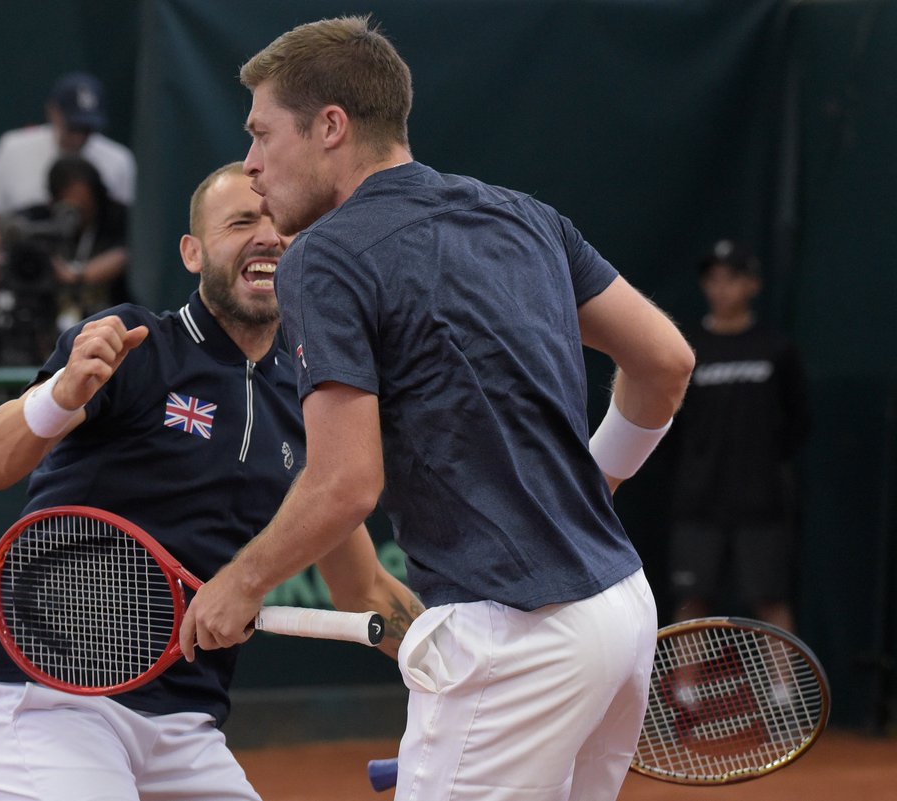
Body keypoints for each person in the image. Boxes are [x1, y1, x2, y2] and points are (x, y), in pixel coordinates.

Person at [179, 17, 695, 801]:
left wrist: (240, 582)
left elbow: (345, 483)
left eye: (261, 134)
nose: (251, 166)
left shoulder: (321, 257)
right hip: (619, 609)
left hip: (514, 632)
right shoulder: (525, 216)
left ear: (330, 127)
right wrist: (597, 481)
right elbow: (665, 362)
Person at [0, 161, 422, 801]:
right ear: (193, 251)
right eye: (241, 222)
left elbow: (364, 585)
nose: (267, 236)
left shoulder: (310, 397)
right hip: (55, 700)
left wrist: (475, 669)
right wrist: (60, 394)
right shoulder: (135, 342)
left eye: (280, 224)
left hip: (186, 722)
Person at [668, 240, 810, 632]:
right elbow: (669, 422)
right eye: (712, 280)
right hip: (698, 502)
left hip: (762, 504)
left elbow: (799, 421)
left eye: (731, 280)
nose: (721, 289)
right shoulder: (686, 349)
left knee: (770, 599)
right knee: (692, 602)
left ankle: (784, 692)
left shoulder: (777, 349)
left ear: (752, 285)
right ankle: (684, 692)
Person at [0, 72, 136, 313]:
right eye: (73, 127)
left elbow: (128, 243)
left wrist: (77, 275)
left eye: (87, 128)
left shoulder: (118, 161)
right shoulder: (15, 150)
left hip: (93, 295)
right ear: (53, 113)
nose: (79, 137)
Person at [0, 154, 131, 365]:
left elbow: (125, 256)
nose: (75, 214)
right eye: (68, 206)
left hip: (93, 319)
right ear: (53, 200)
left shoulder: (116, 219)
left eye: (83, 205)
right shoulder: (35, 216)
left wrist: (75, 274)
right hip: (35, 314)